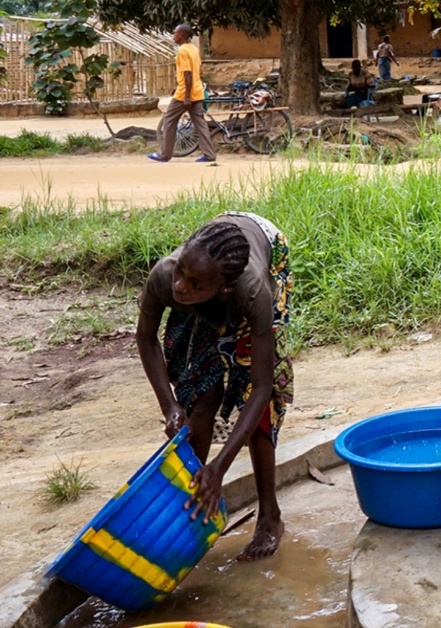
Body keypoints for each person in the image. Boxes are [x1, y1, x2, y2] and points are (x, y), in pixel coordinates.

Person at [135, 212, 294, 561]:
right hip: (212, 277)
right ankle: (189, 506)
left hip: (265, 246)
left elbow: (262, 386)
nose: (181, 286)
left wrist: (222, 466)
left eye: (194, 284)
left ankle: (270, 516)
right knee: (199, 391)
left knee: (254, 403)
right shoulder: (167, 275)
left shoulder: (252, 291)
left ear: (222, 289)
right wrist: (170, 406)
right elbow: (146, 339)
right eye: (182, 274)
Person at [149, 24, 217, 164]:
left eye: (175, 33)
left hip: (185, 95)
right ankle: (210, 154)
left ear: (182, 35)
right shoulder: (193, 49)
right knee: (200, 123)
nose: (174, 35)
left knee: (168, 121)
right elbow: (194, 71)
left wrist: (186, 96)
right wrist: (179, 86)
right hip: (197, 91)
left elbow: (187, 73)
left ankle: (165, 154)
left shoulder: (182, 51)